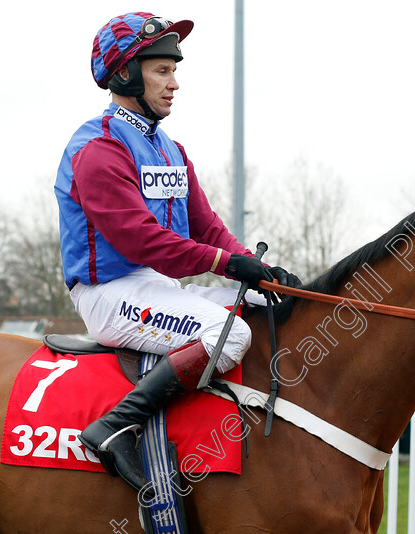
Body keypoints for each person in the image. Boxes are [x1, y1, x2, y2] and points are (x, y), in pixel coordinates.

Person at [54, 12, 301, 491]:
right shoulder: (98, 148)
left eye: (174, 70)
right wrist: (227, 264)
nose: (175, 83)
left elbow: (206, 227)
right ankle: (112, 427)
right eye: (162, 71)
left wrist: (260, 272)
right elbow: (140, 240)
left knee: (259, 306)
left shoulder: (169, 148)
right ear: (125, 73)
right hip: (107, 293)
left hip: (155, 286)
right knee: (229, 337)